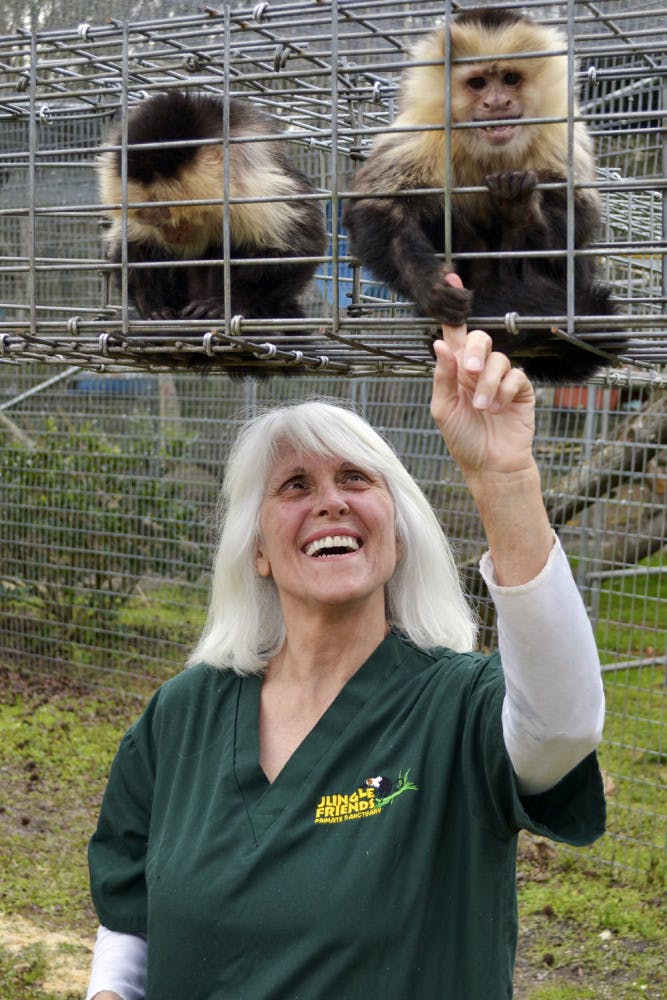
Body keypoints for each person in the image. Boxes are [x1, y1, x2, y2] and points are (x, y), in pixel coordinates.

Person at [86, 275, 605, 1000]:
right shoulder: (180, 718)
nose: (329, 500)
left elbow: (565, 726)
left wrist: (502, 477)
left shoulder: (456, 707)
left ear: (394, 530)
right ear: (257, 549)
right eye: (294, 486)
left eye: (355, 478)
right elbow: (131, 914)